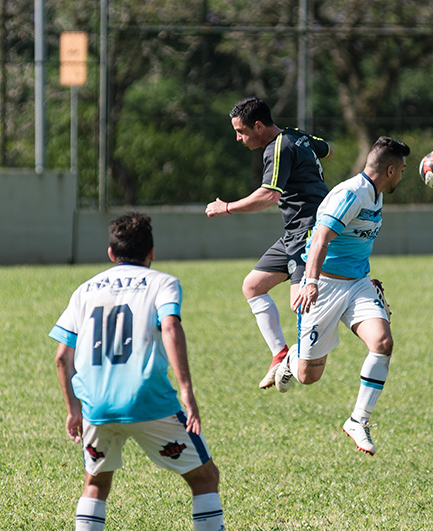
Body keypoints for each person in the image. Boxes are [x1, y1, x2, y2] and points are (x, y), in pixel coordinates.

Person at [50, 212, 225, 531]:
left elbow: (62, 357)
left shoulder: (85, 290)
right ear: (152, 252)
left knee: (96, 483)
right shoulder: (163, 282)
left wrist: (73, 410)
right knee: (205, 477)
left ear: (111, 254)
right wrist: (187, 391)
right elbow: (170, 326)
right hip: (149, 400)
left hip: (97, 406)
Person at [273, 136, 410, 456]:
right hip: (323, 286)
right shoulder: (351, 194)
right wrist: (309, 282)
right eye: (401, 170)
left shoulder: (376, 194)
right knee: (309, 377)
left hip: (358, 284)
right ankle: (294, 358)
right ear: (390, 170)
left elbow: (356, 243)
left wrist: (365, 280)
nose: (402, 176)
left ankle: (358, 421)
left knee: (383, 343)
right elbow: (320, 239)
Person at [205, 97, 332, 390]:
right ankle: (280, 355)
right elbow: (327, 149)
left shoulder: (277, 148)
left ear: (259, 126)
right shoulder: (297, 136)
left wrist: (226, 207)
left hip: (309, 231)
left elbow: (269, 195)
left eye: (241, 131)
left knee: (301, 305)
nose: (238, 138)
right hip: (293, 232)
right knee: (252, 286)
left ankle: (300, 356)